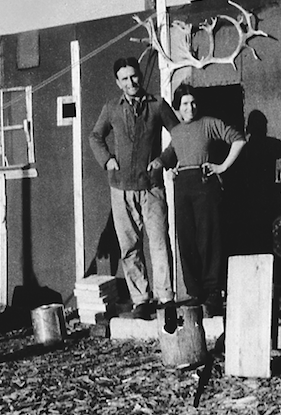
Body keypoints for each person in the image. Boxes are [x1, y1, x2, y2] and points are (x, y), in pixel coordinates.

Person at [89, 57, 179, 319]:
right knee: (129, 246)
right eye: (125, 79)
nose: (131, 82)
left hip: (152, 187)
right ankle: (142, 300)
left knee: (159, 242)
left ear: (141, 76)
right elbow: (95, 136)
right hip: (121, 188)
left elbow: (180, 134)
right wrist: (107, 160)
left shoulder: (158, 105)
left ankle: (166, 299)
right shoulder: (111, 109)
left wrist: (163, 160)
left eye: (134, 76)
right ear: (118, 82)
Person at [149, 84, 246, 317]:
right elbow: (171, 154)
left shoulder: (209, 123)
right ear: (177, 108)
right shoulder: (177, 131)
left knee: (208, 238)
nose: (190, 107)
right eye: (184, 104)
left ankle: (213, 292)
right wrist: (163, 166)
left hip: (205, 185)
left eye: (193, 103)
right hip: (182, 187)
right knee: (186, 238)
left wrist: (221, 166)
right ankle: (195, 292)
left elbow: (239, 140)